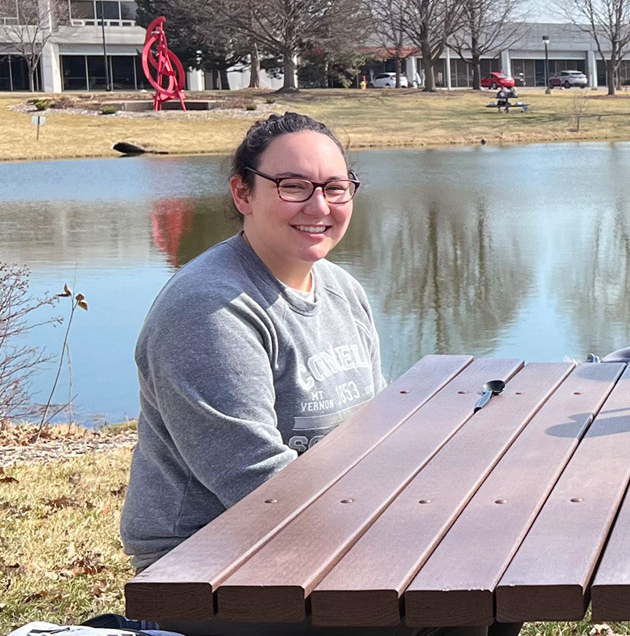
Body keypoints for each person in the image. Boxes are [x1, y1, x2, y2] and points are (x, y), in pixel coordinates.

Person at [118, 113, 495, 636]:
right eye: (293, 187)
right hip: (208, 569)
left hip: (315, 536)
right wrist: (400, 537)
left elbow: (376, 436)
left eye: (335, 188)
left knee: (490, 582)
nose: (319, 207)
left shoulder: (340, 288)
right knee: (426, 604)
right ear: (243, 194)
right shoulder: (210, 310)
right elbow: (255, 485)